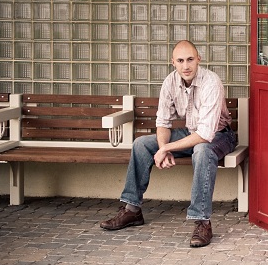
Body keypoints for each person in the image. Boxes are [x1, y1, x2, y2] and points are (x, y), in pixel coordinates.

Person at [100, 40, 237, 248]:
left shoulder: (211, 82)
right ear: (173, 62)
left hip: (219, 137)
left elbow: (205, 134)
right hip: (191, 134)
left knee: (201, 151)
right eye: (180, 61)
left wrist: (166, 148)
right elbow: (163, 123)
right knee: (141, 144)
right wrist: (163, 145)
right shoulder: (170, 82)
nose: (186, 66)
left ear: (198, 59)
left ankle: (202, 222)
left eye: (190, 59)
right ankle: (132, 210)